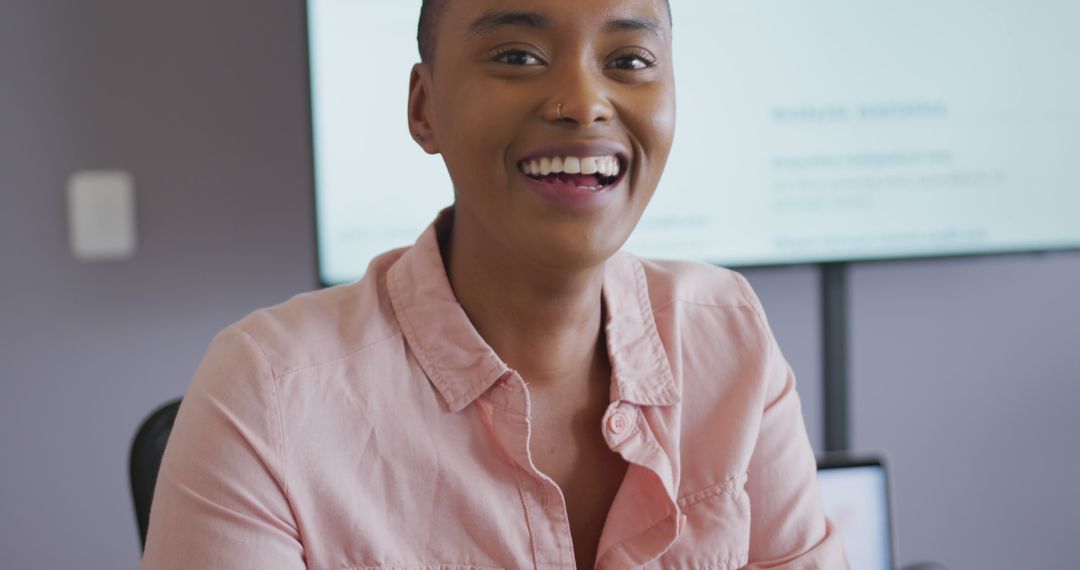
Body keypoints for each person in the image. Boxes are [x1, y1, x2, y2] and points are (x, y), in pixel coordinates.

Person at [140, 0, 848, 568]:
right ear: (424, 107)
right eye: (517, 56)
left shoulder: (726, 333)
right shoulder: (268, 393)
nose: (583, 101)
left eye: (629, 60)